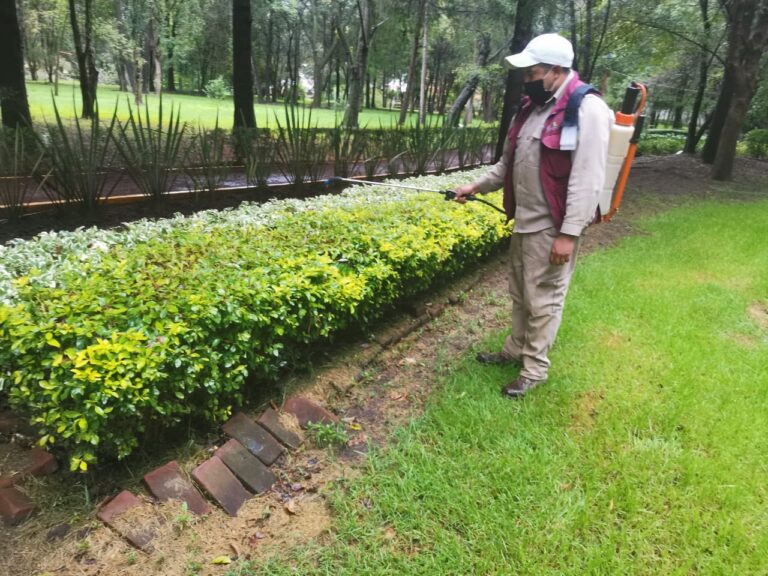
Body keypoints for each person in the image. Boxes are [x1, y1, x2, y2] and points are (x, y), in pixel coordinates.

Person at [454, 33, 612, 398]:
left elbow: (588, 177)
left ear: (557, 70)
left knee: (544, 297)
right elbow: (508, 165)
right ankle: (514, 350)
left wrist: (569, 234)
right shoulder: (531, 109)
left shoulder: (586, 109)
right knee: (520, 292)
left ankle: (534, 369)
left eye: (533, 73)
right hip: (524, 220)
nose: (527, 81)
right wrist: (474, 187)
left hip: (552, 225)